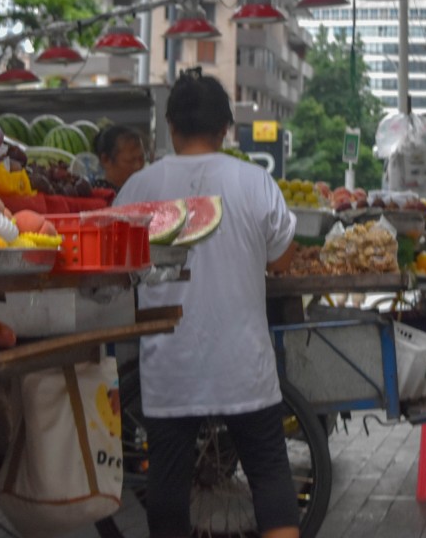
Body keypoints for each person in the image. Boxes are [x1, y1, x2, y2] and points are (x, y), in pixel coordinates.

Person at [114, 68, 299, 538]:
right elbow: (282, 261)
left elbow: (117, 268)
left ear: (170, 126)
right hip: (244, 364)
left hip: (170, 364)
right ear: (225, 129)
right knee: (269, 475)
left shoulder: (138, 188)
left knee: (168, 483)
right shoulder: (256, 182)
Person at [94, 124, 146, 190]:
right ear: (105, 160)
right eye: (130, 161)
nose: (138, 166)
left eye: (141, 159)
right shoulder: (97, 195)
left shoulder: (145, 190)